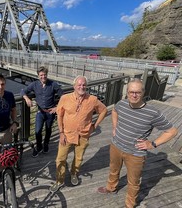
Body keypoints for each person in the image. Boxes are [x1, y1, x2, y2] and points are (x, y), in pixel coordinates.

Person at [97, 78, 178, 208]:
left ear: (143, 93)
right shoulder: (121, 104)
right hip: (116, 145)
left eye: (138, 92)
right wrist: (114, 127)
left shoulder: (152, 113)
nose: (134, 95)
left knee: (133, 181)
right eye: (131, 92)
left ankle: (130, 204)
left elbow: (172, 131)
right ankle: (111, 188)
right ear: (127, 92)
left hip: (135, 154)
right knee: (113, 170)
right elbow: (114, 111)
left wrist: (152, 144)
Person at [50, 75, 108, 192]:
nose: (81, 87)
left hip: (84, 135)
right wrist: (61, 133)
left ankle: (74, 174)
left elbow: (104, 110)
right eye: (79, 85)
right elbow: (60, 116)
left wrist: (95, 125)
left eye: (84, 85)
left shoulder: (92, 99)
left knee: (79, 158)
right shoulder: (65, 98)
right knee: (60, 159)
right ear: (74, 86)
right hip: (66, 134)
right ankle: (59, 180)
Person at [21, 66, 63, 157]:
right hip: (40, 112)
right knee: (37, 131)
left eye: (44, 75)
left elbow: (63, 96)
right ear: (38, 76)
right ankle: (39, 146)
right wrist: (27, 98)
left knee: (48, 129)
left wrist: (57, 107)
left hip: (50, 112)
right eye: (41, 75)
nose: (43, 77)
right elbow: (23, 91)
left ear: (47, 75)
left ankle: (46, 144)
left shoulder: (53, 84)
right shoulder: (34, 84)